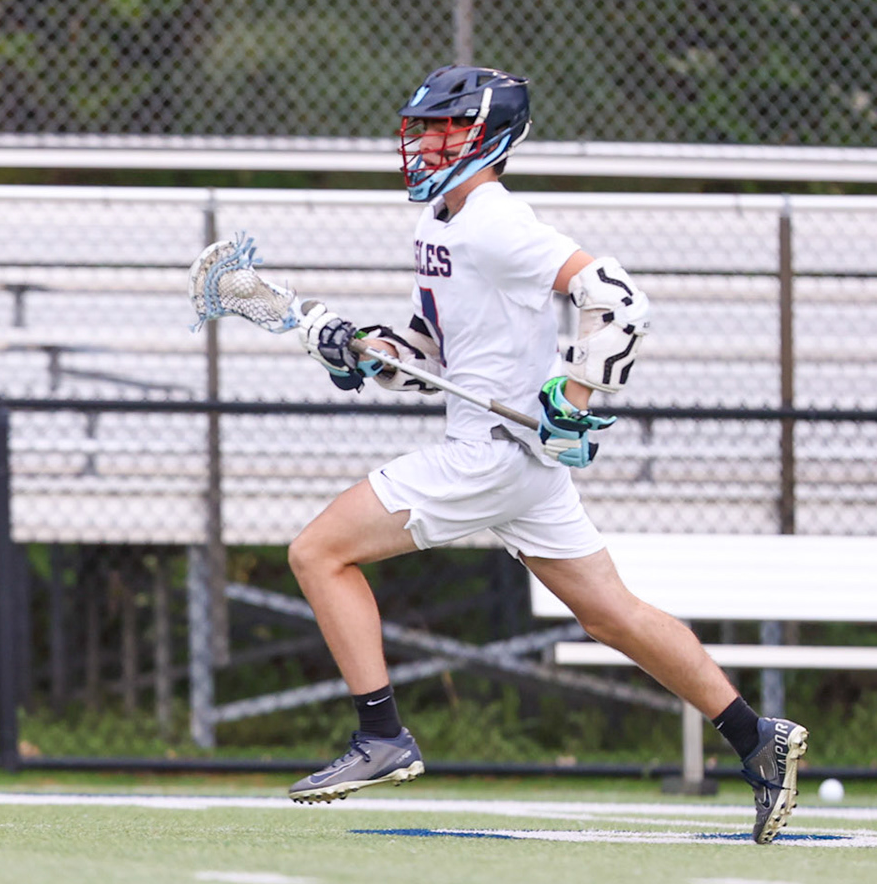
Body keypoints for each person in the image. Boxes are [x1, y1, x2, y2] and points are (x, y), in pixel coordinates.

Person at [285, 64, 807, 844]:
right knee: (614, 614)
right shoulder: (439, 221)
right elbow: (430, 357)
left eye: (445, 130)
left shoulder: (498, 221)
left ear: (488, 138)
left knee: (318, 552)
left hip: (489, 456)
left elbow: (621, 301)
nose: (426, 143)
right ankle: (755, 737)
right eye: (422, 129)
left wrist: (577, 391)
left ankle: (382, 735)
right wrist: (359, 350)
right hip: (521, 465)